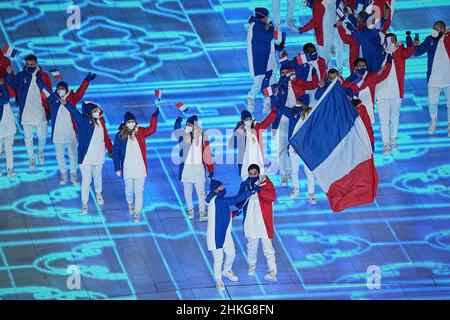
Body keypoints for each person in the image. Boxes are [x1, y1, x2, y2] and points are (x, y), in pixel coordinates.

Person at [39, 72, 96, 185]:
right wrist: (38, 79)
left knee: (73, 155)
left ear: (66, 89)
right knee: (59, 156)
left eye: (62, 88)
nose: (60, 90)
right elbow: (44, 89)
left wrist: (86, 81)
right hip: (58, 134)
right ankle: (64, 174)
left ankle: (73, 174)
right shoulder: (53, 98)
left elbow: (81, 92)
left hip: (71, 133)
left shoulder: (72, 98)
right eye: (58, 88)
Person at [61, 100, 113, 214]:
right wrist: (67, 103)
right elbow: (74, 113)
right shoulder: (83, 121)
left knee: (98, 177)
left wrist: (111, 150)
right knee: (86, 180)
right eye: (94, 111)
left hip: (98, 155)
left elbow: (106, 137)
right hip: (86, 157)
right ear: (89, 113)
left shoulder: (101, 121)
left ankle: (98, 193)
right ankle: (84, 203)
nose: (96, 112)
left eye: (97, 110)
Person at [205, 179, 255, 291]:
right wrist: (249, 192)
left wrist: (232, 214)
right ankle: (218, 279)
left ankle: (227, 270)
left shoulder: (217, 199)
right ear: (216, 189)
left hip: (225, 233)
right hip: (215, 235)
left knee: (231, 254)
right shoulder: (217, 200)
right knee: (219, 258)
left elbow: (220, 213)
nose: (223, 188)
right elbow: (234, 200)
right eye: (221, 187)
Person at [5, 55, 52, 170]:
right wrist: (9, 74)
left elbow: (49, 92)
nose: (29, 66)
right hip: (26, 112)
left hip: (40, 111)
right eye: (28, 64)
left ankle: (40, 151)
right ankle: (31, 158)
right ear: (25, 64)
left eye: (32, 64)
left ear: (36, 63)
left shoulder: (44, 76)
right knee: (28, 137)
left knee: (42, 136)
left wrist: (50, 109)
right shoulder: (21, 75)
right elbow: (12, 84)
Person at [113, 109, 159, 223]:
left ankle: (137, 213)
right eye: (129, 122)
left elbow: (152, 129)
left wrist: (154, 118)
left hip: (140, 168)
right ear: (125, 123)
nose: (131, 123)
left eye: (133, 121)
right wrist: (117, 167)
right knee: (129, 190)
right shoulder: (120, 136)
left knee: (139, 190)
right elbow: (115, 153)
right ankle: (130, 203)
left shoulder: (141, 132)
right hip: (127, 168)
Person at [236, 164, 277, 282]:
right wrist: (246, 194)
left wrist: (260, 191)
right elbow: (239, 200)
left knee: (268, 247)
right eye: (250, 174)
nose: (252, 176)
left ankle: (272, 269)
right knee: (251, 246)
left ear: (259, 173)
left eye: (255, 174)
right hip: (250, 221)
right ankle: (252, 264)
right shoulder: (245, 185)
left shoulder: (266, 183)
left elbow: (272, 197)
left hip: (264, 222)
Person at [375, 32, 414, 155]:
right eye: (388, 41)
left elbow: (410, 52)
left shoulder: (400, 51)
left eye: (392, 41)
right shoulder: (380, 52)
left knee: (395, 118)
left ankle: (393, 140)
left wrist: (408, 39)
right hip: (381, 92)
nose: (390, 43)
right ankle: (386, 143)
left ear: (396, 41)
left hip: (396, 92)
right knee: (383, 120)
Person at [277, 96, 317, 203]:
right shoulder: (292, 111)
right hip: (294, 146)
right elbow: (280, 108)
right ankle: (296, 189)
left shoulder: (310, 114)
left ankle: (311, 193)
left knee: (309, 171)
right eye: (298, 101)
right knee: (294, 170)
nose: (298, 103)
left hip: (306, 146)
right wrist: (275, 96)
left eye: (300, 102)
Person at [174, 115, 214, 222]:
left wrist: (211, 169)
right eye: (186, 124)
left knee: (201, 192)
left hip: (198, 170)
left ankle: (202, 212)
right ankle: (190, 210)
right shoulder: (184, 136)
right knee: (188, 191)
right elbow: (176, 131)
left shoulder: (202, 137)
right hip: (186, 170)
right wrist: (178, 121)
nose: (187, 126)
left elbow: (207, 154)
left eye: (189, 124)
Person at [413, 21, 450, 136]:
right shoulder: (430, 39)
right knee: (432, 102)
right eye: (434, 28)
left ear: (444, 29)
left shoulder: (448, 39)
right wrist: (415, 44)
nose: (435, 31)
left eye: (437, 28)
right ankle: (433, 121)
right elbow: (417, 52)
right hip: (433, 78)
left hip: (448, 78)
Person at [342, 57, 393, 123]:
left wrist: (389, 62)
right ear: (355, 67)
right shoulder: (349, 80)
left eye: (364, 66)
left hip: (368, 113)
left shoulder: (370, 77)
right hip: (354, 114)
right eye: (360, 66)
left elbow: (383, 75)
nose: (363, 68)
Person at [234, 106, 278, 180]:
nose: (248, 121)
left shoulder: (256, 127)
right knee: (245, 179)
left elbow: (266, 123)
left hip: (256, 158)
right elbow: (234, 145)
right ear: (242, 121)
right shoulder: (239, 130)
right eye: (246, 120)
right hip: (244, 159)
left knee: (258, 179)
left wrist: (273, 113)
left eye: (250, 119)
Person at [247, 7, 278, 113]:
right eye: (267, 17)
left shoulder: (260, 25)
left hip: (266, 58)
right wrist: (271, 28)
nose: (268, 19)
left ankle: (267, 102)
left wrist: (277, 47)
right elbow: (267, 38)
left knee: (269, 81)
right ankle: (251, 97)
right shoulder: (256, 27)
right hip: (258, 60)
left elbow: (267, 42)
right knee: (259, 82)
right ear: (263, 17)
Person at [0, 81, 16, 177]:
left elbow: (8, 97)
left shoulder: (4, 89)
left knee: (9, 149)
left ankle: (10, 169)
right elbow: (5, 99)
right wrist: (2, 85)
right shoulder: (3, 97)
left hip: (8, 128)